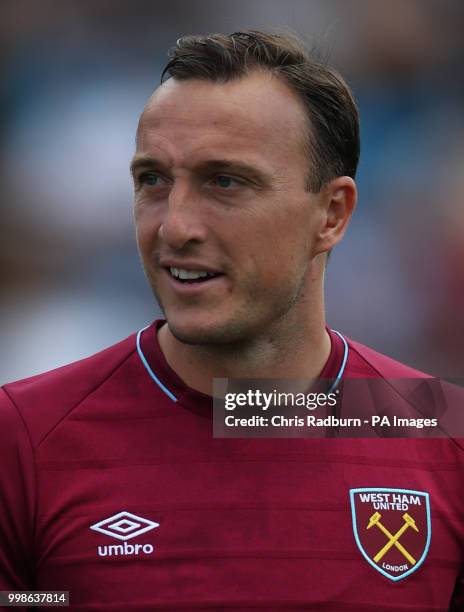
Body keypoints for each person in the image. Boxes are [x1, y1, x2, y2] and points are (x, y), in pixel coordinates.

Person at [0, 30, 462, 610]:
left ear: (333, 214)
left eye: (225, 182)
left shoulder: (442, 432)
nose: (175, 226)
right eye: (153, 181)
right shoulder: (23, 438)